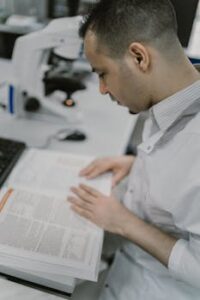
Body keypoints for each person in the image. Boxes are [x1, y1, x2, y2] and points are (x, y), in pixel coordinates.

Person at [67, 0, 200, 299]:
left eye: (102, 73)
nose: (101, 89)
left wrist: (123, 222)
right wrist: (138, 164)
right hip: (126, 263)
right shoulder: (177, 95)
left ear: (139, 57)